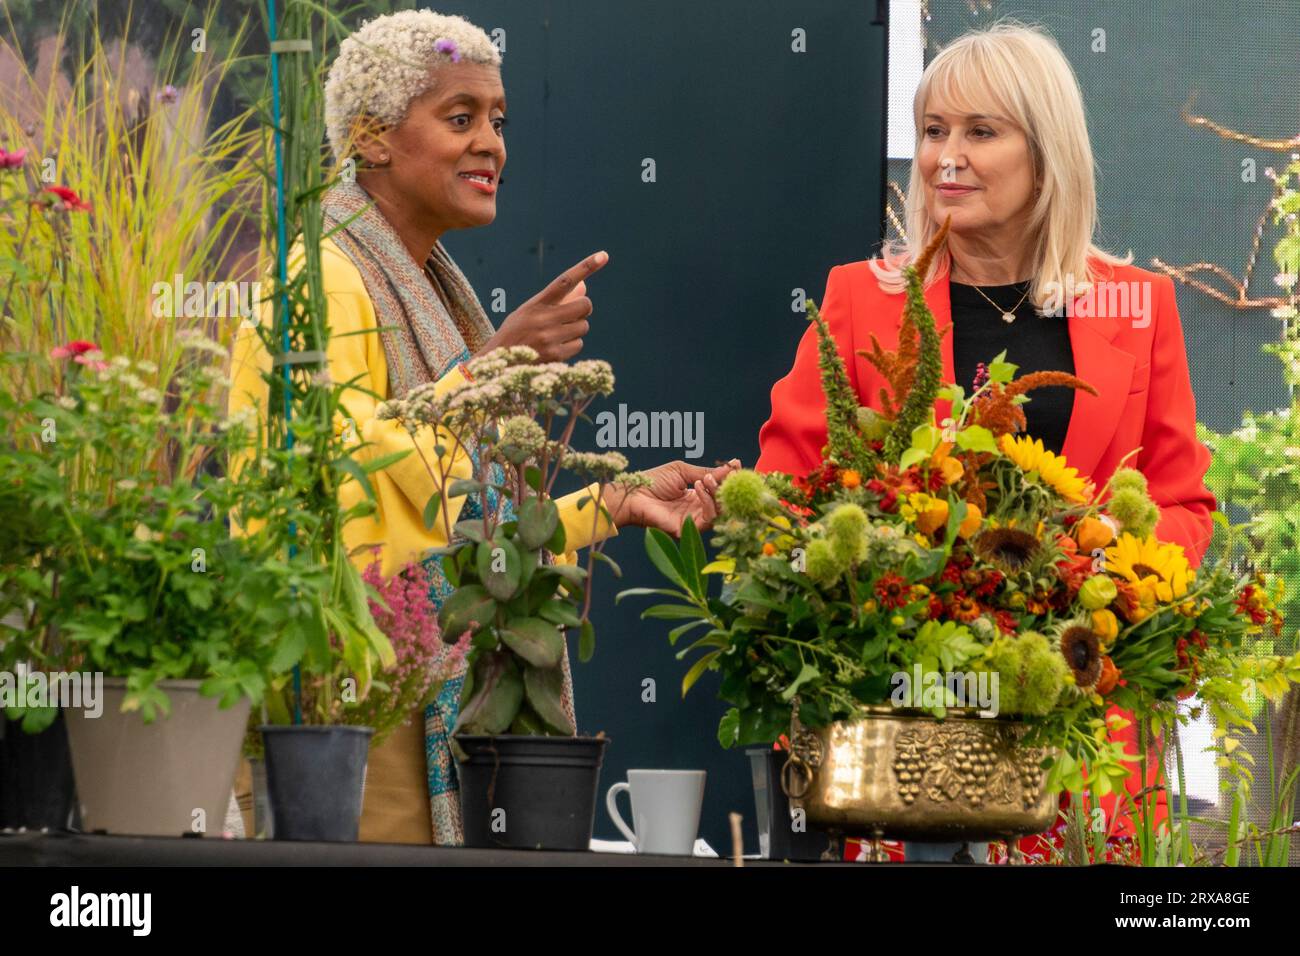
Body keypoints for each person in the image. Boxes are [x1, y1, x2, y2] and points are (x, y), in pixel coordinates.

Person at [229, 10, 738, 846]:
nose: (491, 145)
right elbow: (356, 487)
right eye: (459, 117)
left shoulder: (426, 283)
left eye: (497, 121)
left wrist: (611, 503)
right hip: (347, 713)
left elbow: (465, 521)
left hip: (412, 696)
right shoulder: (320, 273)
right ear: (371, 137)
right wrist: (492, 367)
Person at [755, 21, 1215, 863]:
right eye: (933, 132)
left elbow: (1183, 506)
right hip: (903, 725)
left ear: (1048, 154)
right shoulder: (862, 299)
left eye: (980, 132)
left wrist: (1089, 572)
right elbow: (787, 493)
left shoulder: (1139, 305)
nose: (945, 158)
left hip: (1080, 735)